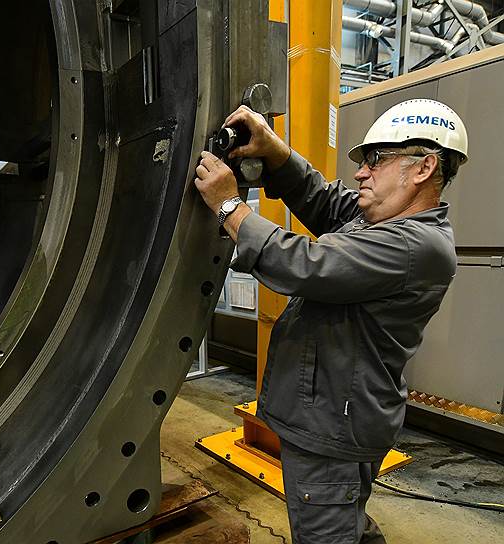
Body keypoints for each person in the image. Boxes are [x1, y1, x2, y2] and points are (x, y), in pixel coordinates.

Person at [192, 99, 468, 544]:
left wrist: (229, 207)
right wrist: (276, 151)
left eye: (375, 160)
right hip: (334, 415)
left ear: (423, 168)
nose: (361, 173)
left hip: (333, 426)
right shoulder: (381, 220)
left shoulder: (416, 245)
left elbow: (304, 264)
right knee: (345, 523)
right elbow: (323, 200)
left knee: (328, 532)